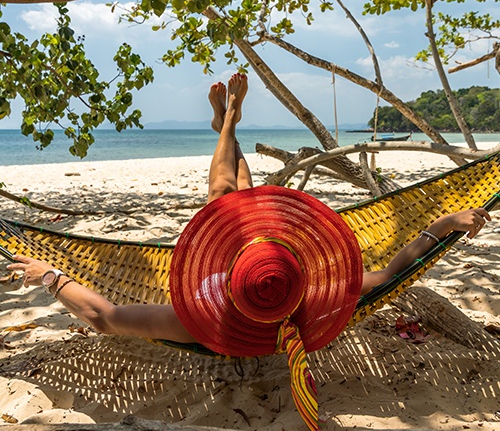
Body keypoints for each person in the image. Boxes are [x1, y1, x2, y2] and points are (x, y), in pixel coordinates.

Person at [6, 73, 491, 346]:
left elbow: (105, 316)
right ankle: (227, 124)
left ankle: (226, 125)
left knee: (223, 201)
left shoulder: (194, 318)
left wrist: (50, 275)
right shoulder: (312, 296)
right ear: (296, 272)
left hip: (230, 281)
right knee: (240, 204)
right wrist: (441, 224)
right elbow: (389, 274)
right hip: (260, 272)